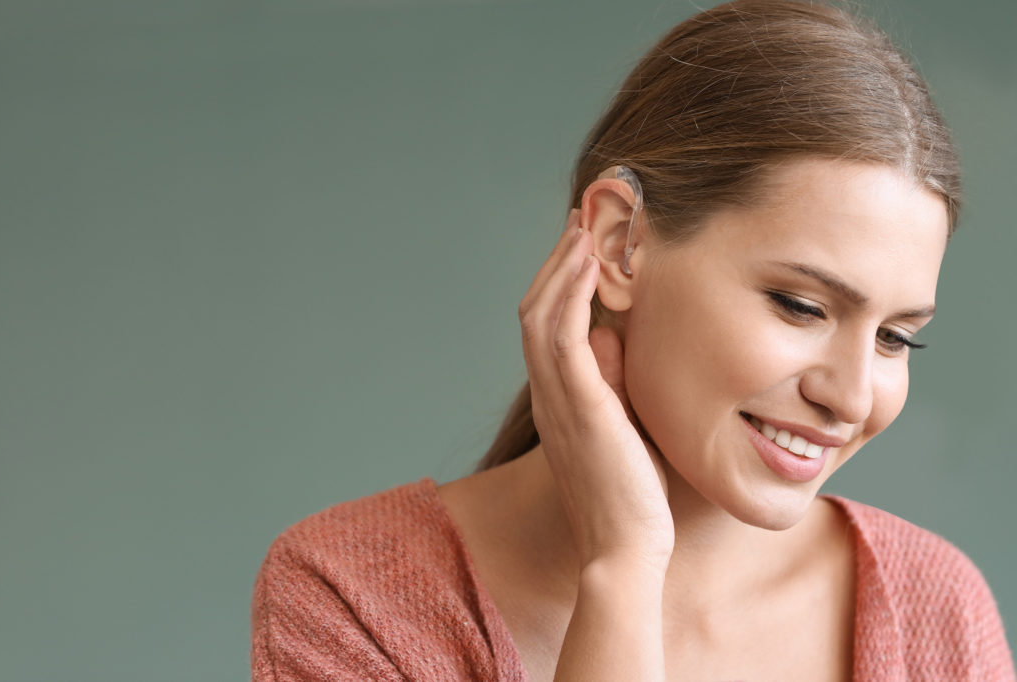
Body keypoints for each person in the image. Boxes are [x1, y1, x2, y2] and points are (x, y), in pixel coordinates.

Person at [251, 1, 1016, 679]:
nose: (850, 396)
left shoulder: (936, 615)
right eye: (799, 305)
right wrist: (622, 571)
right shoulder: (350, 596)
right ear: (620, 243)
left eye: (894, 339)